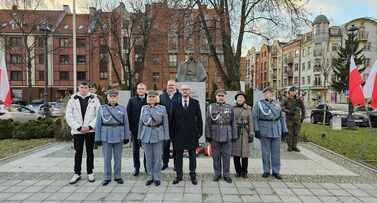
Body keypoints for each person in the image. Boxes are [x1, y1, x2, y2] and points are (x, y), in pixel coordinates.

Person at [65, 81, 101, 184]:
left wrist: (90, 126)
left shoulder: (94, 99)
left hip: (90, 130)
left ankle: (90, 172)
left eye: (85, 87)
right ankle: (77, 173)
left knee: (90, 152)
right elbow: (68, 115)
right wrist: (78, 127)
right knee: (78, 152)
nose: (83, 89)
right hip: (77, 131)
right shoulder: (72, 99)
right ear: (78, 88)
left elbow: (99, 114)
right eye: (81, 87)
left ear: (88, 88)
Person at [95, 90, 130, 186]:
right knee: (107, 158)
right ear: (108, 98)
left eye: (114, 97)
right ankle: (107, 177)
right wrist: (97, 138)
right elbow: (98, 124)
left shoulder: (122, 109)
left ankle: (118, 176)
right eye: (111, 97)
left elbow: (126, 123)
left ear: (117, 98)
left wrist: (126, 136)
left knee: (118, 158)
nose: (113, 99)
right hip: (106, 136)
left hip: (119, 136)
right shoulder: (102, 109)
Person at [252, 87, 288, 180]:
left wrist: (284, 130)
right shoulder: (259, 104)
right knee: (265, 152)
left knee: (276, 152)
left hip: (276, 129)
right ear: (264, 94)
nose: (270, 94)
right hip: (264, 130)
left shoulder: (277, 103)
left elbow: (282, 117)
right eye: (268, 93)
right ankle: (266, 170)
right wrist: (257, 130)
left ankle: (276, 171)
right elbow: (254, 117)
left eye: (271, 93)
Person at [171, 85, 203, 185]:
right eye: (183, 89)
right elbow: (171, 120)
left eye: (187, 89)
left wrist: (199, 132)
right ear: (180, 91)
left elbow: (199, 119)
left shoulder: (195, 103)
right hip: (178, 134)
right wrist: (172, 134)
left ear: (189, 91)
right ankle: (179, 175)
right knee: (178, 156)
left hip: (191, 134)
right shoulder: (175, 102)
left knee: (192, 155)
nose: (185, 91)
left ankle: (193, 175)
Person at [138, 90, 170, 186]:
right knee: (148, 158)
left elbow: (165, 123)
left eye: (153, 97)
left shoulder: (162, 108)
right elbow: (140, 123)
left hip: (158, 134)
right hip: (146, 134)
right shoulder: (143, 108)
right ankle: (150, 176)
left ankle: (156, 176)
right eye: (149, 97)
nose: (151, 99)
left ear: (156, 98)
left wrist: (166, 136)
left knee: (157, 158)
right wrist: (139, 136)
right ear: (147, 99)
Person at [205, 89, 237, 183]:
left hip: (227, 135)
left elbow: (233, 122)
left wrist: (234, 135)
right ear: (216, 97)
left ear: (224, 97)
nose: (220, 97)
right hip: (215, 135)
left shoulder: (230, 108)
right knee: (216, 156)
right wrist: (208, 135)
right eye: (219, 96)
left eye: (222, 96)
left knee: (227, 156)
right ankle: (217, 174)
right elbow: (208, 122)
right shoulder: (211, 107)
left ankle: (226, 174)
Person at [159, 80, 181, 170]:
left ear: (175, 86)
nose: (171, 87)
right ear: (166, 86)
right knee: (165, 146)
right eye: (169, 85)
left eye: (172, 85)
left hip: (177, 127)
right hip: (165, 126)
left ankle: (176, 165)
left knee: (177, 147)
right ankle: (165, 163)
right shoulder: (161, 96)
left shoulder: (180, 96)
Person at [127, 83, 147, 176]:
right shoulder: (132, 100)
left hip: (147, 130)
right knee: (136, 150)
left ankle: (147, 168)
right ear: (137, 90)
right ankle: (136, 167)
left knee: (147, 150)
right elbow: (128, 115)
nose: (140, 90)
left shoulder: (149, 99)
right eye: (139, 89)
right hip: (135, 130)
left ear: (145, 90)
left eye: (142, 89)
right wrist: (130, 128)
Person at [231, 91, 253, 178]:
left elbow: (251, 121)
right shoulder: (232, 108)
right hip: (235, 132)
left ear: (244, 99)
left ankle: (244, 172)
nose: (240, 99)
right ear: (236, 99)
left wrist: (251, 133)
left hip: (245, 133)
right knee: (236, 154)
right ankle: (238, 171)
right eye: (238, 97)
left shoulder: (248, 108)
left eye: (241, 97)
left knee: (245, 154)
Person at [281, 86, 305, 152]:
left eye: (295, 91)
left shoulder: (298, 100)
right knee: (289, 133)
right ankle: (290, 146)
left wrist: (302, 117)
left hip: (297, 119)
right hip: (289, 119)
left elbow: (303, 108)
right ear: (289, 92)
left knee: (296, 133)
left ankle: (295, 146)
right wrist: (288, 111)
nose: (294, 92)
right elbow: (282, 107)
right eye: (293, 91)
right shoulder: (286, 99)